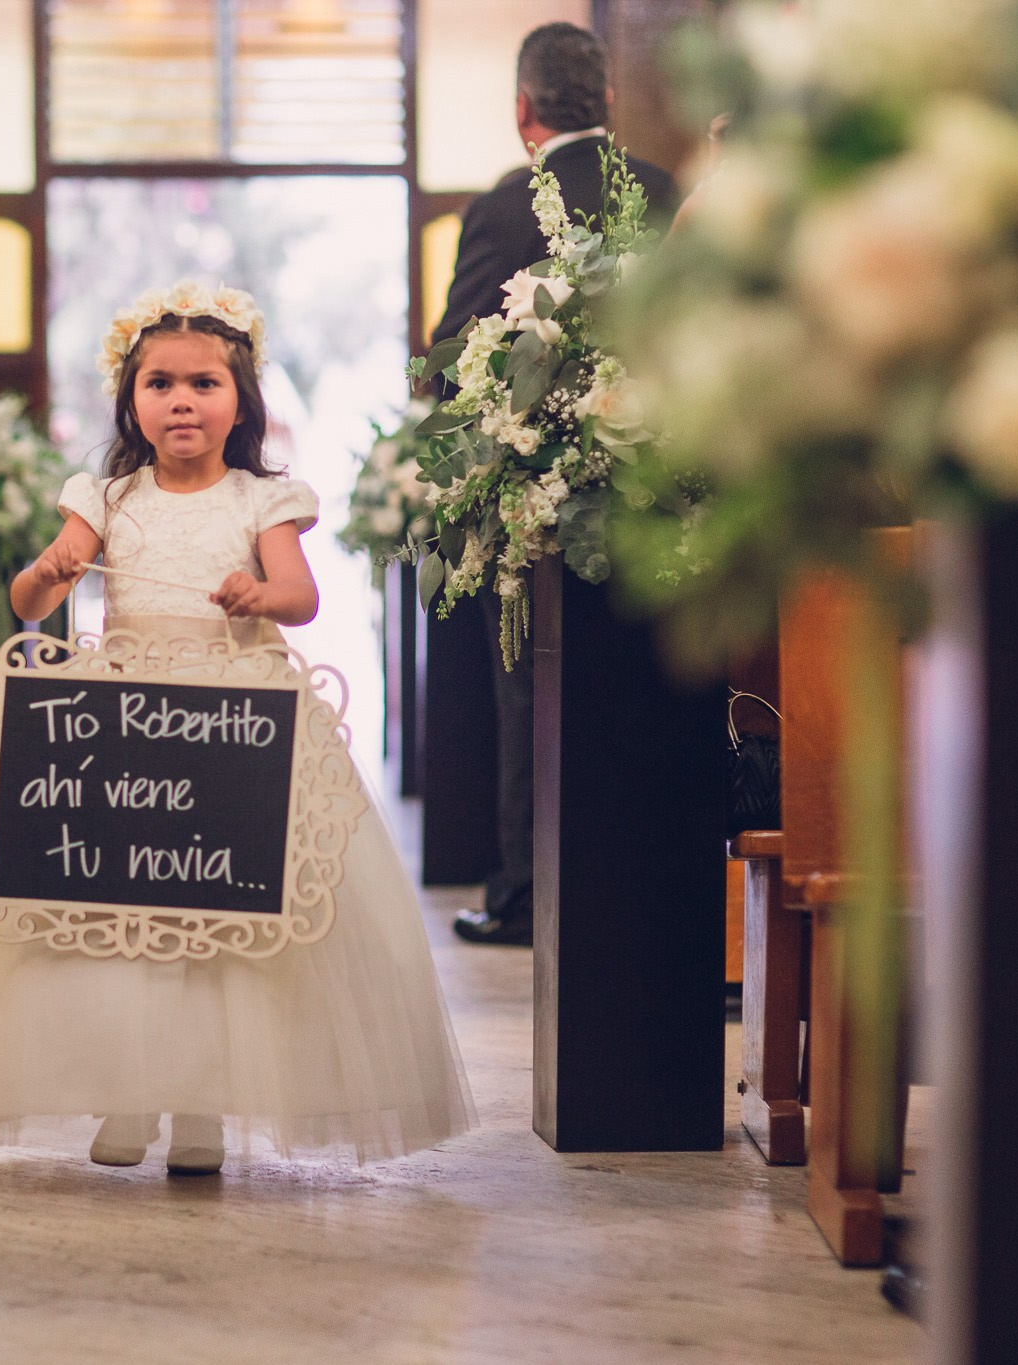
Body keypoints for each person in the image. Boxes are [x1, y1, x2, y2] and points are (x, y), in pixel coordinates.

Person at [0, 284, 474, 1172]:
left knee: (216, 921)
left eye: (203, 383)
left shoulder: (264, 498)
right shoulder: (104, 494)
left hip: (234, 731)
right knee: (121, 913)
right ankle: (125, 1095)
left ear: (241, 400)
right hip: (125, 734)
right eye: (158, 384)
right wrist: (53, 567)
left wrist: (259, 595)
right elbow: (28, 604)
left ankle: (201, 1111)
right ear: (131, 400)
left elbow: (300, 598)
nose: (181, 400)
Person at [430, 22, 678, 947]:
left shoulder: (503, 206)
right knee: (649, 692)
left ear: (523, 112)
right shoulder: (664, 193)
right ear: (609, 104)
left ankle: (526, 895)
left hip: (540, 490)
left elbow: (455, 358)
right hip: (658, 489)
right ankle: (643, 886)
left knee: (531, 688)